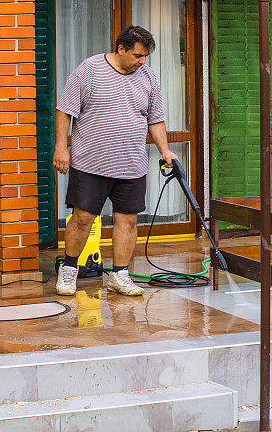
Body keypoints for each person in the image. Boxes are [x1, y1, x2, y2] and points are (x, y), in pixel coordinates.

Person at [53, 26, 178, 297]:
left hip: (132, 163)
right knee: (82, 218)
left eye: (145, 56)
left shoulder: (147, 76)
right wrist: (62, 148)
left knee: (128, 220)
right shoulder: (89, 70)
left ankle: (119, 275)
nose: (142, 61)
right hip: (90, 162)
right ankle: (69, 269)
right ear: (121, 49)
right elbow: (65, 110)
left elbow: (155, 118)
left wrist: (166, 151)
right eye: (137, 55)